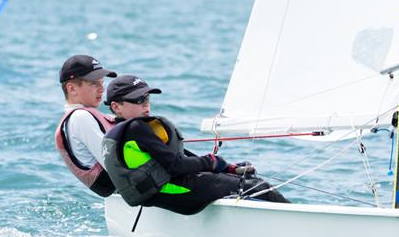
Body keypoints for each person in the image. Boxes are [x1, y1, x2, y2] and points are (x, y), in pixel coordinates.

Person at [102, 75, 289, 215]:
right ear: (116, 107)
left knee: (237, 181)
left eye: (147, 98)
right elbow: (176, 166)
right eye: (138, 100)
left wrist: (228, 168)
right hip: (174, 190)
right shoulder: (136, 128)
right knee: (258, 186)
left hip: (160, 193)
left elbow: (174, 158)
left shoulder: (120, 133)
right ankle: (295, 223)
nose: (145, 104)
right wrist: (212, 162)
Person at [54, 54, 119, 196]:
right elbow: (114, 165)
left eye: (102, 83)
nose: (102, 89)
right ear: (72, 89)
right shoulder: (80, 118)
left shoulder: (87, 116)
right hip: (130, 194)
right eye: (94, 84)